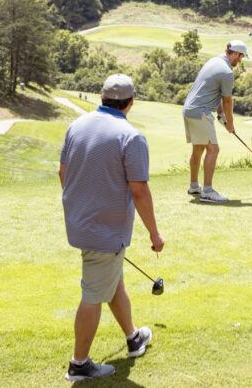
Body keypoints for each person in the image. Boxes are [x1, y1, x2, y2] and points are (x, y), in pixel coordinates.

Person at [59, 74, 165, 381]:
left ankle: (133, 338)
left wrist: (82, 205)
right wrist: (154, 234)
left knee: (113, 280)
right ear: (131, 102)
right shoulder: (131, 136)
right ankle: (79, 364)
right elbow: (139, 191)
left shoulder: (77, 125)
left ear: (101, 97)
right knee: (94, 293)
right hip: (104, 231)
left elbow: (63, 172)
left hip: (81, 223)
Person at [181, 40, 249, 203]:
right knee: (213, 149)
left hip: (189, 110)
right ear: (235, 54)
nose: (240, 61)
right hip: (201, 111)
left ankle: (194, 186)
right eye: (241, 57)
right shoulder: (227, 72)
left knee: (198, 149)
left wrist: (221, 115)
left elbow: (213, 92)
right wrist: (230, 123)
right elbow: (227, 101)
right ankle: (208, 191)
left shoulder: (213, 61)